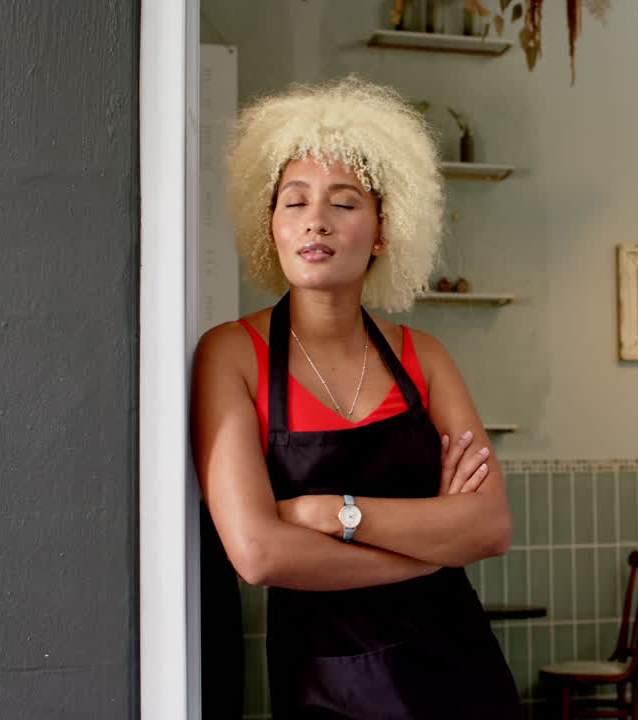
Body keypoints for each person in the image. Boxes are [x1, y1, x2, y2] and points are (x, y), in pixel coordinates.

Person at [190, 76, 524, 719]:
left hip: (459, 674)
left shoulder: (423, 356)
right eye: (294, 202)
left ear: (381, 232)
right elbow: (259, 554)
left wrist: (331, 514)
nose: (316, 219)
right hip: (326, 692)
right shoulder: (230, 355)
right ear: (271, 226)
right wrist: (428, 551)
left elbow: (489, 525)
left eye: (344, 203)